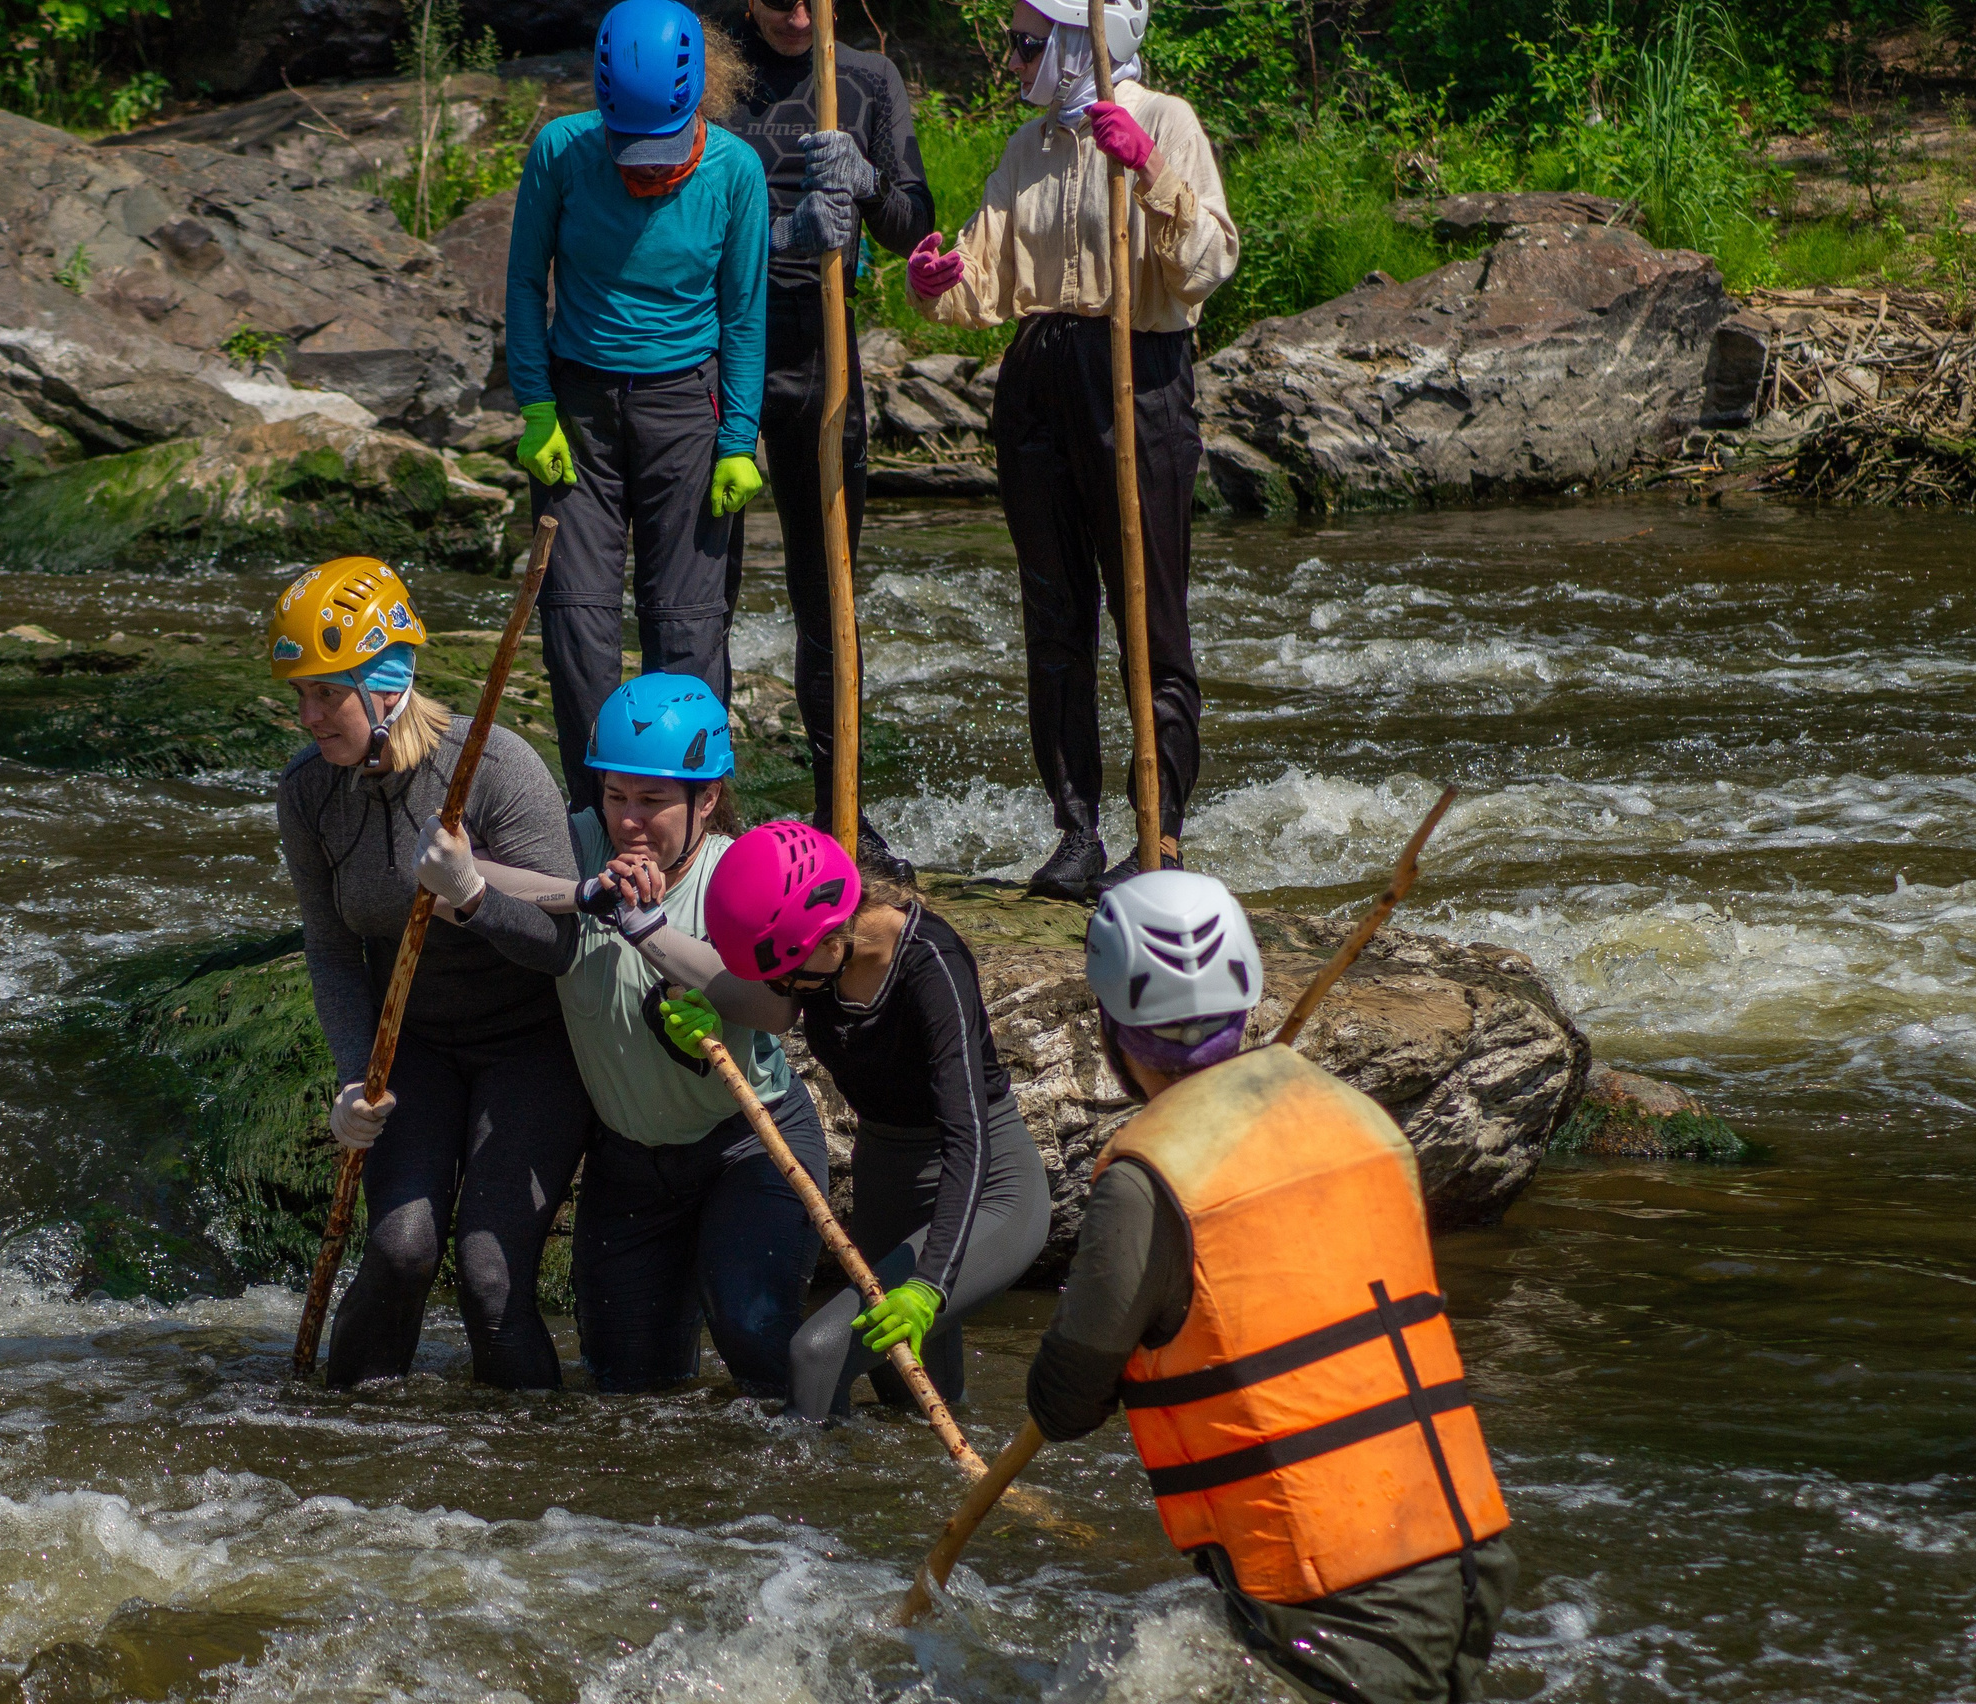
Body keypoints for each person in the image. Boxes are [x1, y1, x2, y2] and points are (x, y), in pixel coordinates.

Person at [1027, 870, 1516, 1703]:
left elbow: (1067, 1400)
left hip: (1333, 1582)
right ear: (1248, 992)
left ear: (1112, 1026)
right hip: (1467, 1544)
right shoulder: (1360, 1116)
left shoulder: (1148, 1177)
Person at [906, 0, 1239, 898]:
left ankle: (1159, 832)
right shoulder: (1028, 149)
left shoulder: (1165, 119)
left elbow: (1209, 263)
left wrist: (1152, 171)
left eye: (1025, 43)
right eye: (1013, 43)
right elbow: (982, 276)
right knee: (1054, 620)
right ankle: (1077, 831)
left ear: (1076, 40)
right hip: (1041, 378)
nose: (1012, 60)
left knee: (1149, 615)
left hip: (1138, 373)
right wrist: (939, 282)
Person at [268, 557, 590, 1391]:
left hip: (531, 1047)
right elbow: (334, 947)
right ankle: (342, 1448)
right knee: (401, 1248)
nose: (307, 716)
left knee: (488, 1274)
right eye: (298, 694)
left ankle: (529, 1471)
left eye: (325, 694)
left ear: (386, 683)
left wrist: (476, 895)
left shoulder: (497, 768)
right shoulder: (308, 794)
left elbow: (565, 947)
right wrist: (351, 1084)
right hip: (414, 1045)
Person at [471, 675, 829, 1396]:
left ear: (707, 798)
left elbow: (776, 1012)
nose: (629, 822)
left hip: (748, 1146)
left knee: (751, 1332)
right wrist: (577, 895)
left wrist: (653, 935)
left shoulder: (739, 869)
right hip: (629, 1168)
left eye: (653, 801)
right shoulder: (571, 844)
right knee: (628, 1389)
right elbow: (461, 873)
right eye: (616, 796)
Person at [637, 821, 1051, 1420]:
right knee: (907, 1402)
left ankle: (798, 1509)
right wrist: (709, 1021)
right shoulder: (817, 954)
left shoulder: (932, 962)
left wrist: (929, 1284)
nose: (780, 988)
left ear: (832, 939)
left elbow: (970, 1136)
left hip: (987, 1189)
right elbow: (766, 1006)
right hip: (887, 1173)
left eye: (786, 975)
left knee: (818, 1351)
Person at [506, 0, 772, 814]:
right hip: (580, 411)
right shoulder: (561, 151)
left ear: (698, 108)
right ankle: (595, 822)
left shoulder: (734, 172)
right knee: (577, 625)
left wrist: (736, 438)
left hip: (686, 412)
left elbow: (745, 315)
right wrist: (537, 408)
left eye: (661, 155)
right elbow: (524, 283)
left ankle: (691, 828)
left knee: (685, 629)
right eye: (630, 152)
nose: (643, 171)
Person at [718, 0, 934, 873]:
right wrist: (775, 233)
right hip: (718, 344)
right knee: (706, 594)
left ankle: (840, 802)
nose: (794, 16)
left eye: (808, 1)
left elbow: (917, 222)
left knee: (826, 588)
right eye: (774, 0)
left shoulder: (866, 78)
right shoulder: (711, 68)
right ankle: (705, 806)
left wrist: (870, 181)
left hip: (820, 349)